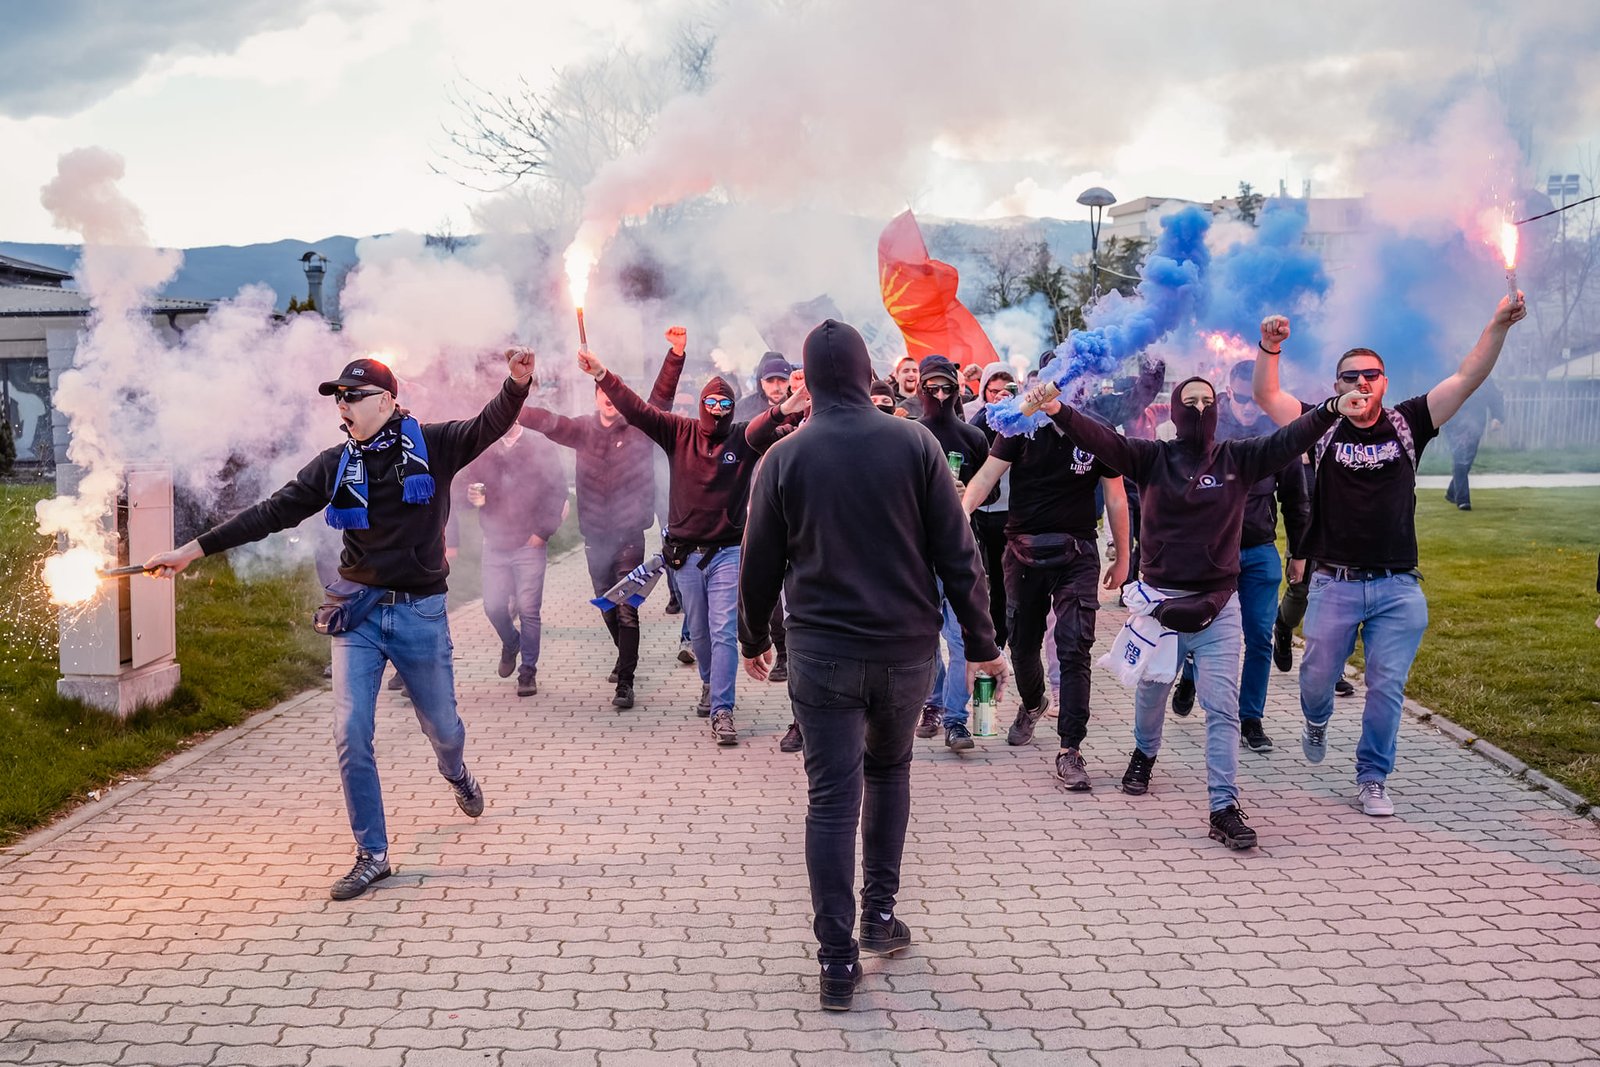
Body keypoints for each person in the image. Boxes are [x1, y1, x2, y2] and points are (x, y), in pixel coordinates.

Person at [143, 350, 534, 899]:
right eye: (338, 397)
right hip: (358, 613)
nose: (342, 406)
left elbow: (489, 423)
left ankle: (457, 773)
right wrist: (193, 549)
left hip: (420, 611)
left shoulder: (436, 445)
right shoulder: (334, 464)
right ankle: (372, 855)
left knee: (443, 728)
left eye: (353, 396)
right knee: (351, 733)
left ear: (388, 401)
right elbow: (272, 510)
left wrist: (517, 384)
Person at [738, 319, 1005, 1012]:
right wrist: (981, 641)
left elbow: (759, 561)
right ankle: (877, 919)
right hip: (902, 652)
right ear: (864, 372)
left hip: (821, 654)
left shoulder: (784, 459)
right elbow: (959, 552)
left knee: (830, 798)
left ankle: (835, 962)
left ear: (810, 379)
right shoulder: (915, 443)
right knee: (888, 774)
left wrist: (751, 638)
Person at [1029, 372, 1367, 848]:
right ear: (1175, 411)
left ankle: (1223, 806)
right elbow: (1101, 438)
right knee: (1151, 695)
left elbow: (1292, 437)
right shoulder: (1151, 458)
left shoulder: (1240, 458)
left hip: (1218, 607)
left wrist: (1331, 409)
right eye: (1191, 402)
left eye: (1209, 401)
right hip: (1158, 608)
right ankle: (1144, 752)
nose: (1202, 409)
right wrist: (1057, 410)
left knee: (1222, 708)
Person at [1252, 298, 1526, 816]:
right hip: (1334, 583)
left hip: (1398, 586)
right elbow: (1267, 394)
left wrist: (1496, 325)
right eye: (1349, 376)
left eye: (1370, 374)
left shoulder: (1409, 423)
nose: (1360, 383)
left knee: (1386, 689)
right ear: (1337, 387)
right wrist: (1270, 347)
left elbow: (1468, 376)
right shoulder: (1322, 426)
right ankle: (1316, 719)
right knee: (1314, 681)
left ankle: (1373, 776)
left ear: (1383, 381)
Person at [580, 344, 765, 745]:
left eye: (725, 402)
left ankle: (722, 709)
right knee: (699, 633)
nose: (717, 408)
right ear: (700, 405)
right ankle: (707, 684)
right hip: (684, 555)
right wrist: (601, 373)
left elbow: (772, 420)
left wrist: (796, 403)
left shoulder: (741, 437)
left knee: (722, 631)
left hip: (727, 553)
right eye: (711, 402)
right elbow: (638, 409)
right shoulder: (677, 431)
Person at [962, 398, 1130, 789]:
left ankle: (1070, 749)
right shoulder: (1021, 424)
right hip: (1023, 550)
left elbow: (1116, 497)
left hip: (1078, 551)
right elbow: (987, 476)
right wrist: (961, 513)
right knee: (1021, 642)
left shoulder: (1096, 428)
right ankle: (1034, 701)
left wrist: (1124, 557)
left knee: (1074, 646)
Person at [518, 328, 684, 708]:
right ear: (595, 399)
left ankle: (625, 681)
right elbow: (547, 421)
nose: (609, 400)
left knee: (627, 607)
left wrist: (675, 354)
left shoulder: (641, 428)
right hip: (595, 536)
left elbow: (662, 397)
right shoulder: (581, 430)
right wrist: (514, 396)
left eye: (613, 394)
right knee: (606, 605)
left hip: (629, 535)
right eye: (602, 395)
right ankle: (623, 658)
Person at [1168, 359, 1311, 749]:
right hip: (1212, 554)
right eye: (1241, 398)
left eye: (1256, 399)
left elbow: (1297, 501)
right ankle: (1190, 675)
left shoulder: (1276, 435)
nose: (1249, 407)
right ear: (1228, 392)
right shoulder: (1210, 434)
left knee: (1259, 637)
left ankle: (1251, 718)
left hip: (1260, 550)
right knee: (1198, 627)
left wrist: (1298, 553)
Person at [912, 355, 991, 751]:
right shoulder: (908, 434)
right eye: (932, 389)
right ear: (920, 390)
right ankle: (933, 703)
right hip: (918, 553)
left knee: (960, 640)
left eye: (947, 389)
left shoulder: (973, 437)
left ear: (958, 391)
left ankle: (957, 720)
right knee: (924, 640)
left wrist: (968, 495)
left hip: (961, 548)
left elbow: (992, 491)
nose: (940, 396)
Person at [458, 422, 566, 697]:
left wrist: (542, 533)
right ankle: (511, 641)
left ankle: (527, 672)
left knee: (529, 610)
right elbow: (465, 488)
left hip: (529, 543)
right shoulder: (485, 448)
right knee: (493, 606)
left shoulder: (539, 445)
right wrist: (471, 497)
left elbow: (557, 491)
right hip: (494, 542)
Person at [964, 363, 1016, 649]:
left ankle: (1000, 639)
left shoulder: (1023, 415)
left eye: (1005, 391)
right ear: (983, 389)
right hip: (982, 510)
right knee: (983, 579)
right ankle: (986, 638)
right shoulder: (975, 413)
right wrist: (990, 412)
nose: (999, 396)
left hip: (1012, 508)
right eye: (993, 391)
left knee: (1004, 579)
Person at [1443, 378, 1504, 511]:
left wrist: (1497, 417)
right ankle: (1463, 500)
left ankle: (1452, 492)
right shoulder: (1449, 372)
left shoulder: (1482, 376)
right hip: (1453, 423)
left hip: (1475, 425)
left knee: (1467, 460)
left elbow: (1495, 396)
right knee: (1460, 458)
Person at [736, 352, 793, 421]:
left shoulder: (802, 408)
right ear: (762, 383)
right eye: (770, 381)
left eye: (782, 380)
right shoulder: (742, 408)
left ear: (790, 381)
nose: (776, 388)